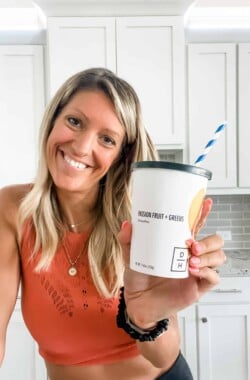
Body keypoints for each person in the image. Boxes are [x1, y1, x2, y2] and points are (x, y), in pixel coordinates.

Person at [0, 67, 225, 380]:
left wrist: (146, 318)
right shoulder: (13, 208)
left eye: (107, 139)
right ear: (53, 121)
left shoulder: (140, 222)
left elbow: (163, 356)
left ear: (120, 155)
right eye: (74, 121)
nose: (81, 147)